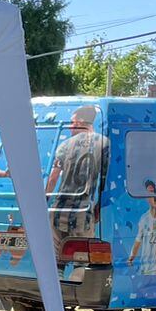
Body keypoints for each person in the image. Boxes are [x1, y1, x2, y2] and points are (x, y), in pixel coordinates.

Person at [45, 104, 107, 259]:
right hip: (83, 212)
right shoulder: (104, 144)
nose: (70, 127)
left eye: (72, 122)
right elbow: (106, 179)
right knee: (81, 260)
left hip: (59, 209)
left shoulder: (66, 145)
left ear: (80, 122)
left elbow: (53, 177)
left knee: (56, 259)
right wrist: (99, 206)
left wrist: (44, 199)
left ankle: (57, 282)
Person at [128, 180, 156, 276]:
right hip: (143, 270)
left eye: (155, 192)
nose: (154, 197)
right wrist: (131, 258)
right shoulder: (144, 219)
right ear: (146, 198)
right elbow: (138, 241)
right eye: (150, 193)